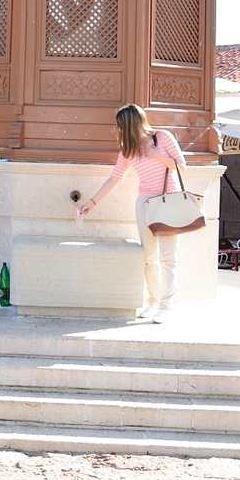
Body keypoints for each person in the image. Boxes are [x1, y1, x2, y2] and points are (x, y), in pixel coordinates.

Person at [77, 104, 190, 322]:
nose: (118, 130)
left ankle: (166, 305)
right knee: (148, 256)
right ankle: (153, 301)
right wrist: (92, 202)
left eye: (120, 125)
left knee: (168, 257)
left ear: (129, 124)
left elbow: (182, 166)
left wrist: (158, 155)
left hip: (169, 201)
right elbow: (114, 178)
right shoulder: (128, 150)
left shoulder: (162, 138)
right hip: (145, 203)